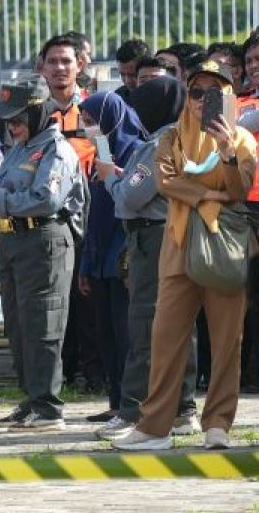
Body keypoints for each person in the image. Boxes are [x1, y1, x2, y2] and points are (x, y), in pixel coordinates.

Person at [114, 60, 259, 450]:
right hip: (178, 244)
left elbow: (240, 188)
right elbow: (165, 181)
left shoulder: (243, 140)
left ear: (227, 97)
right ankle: (155, 425)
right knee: (165, 337)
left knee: (227, 340)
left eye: (214, 93)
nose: (202, 101)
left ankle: (218, 425)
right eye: (196, 92)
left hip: (224, 245)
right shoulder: (172, 138)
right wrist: (209, 195)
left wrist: (227, 153)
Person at [0, 76, 84, 430]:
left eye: (18, 119)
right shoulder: (20, 148)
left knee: (43, 325)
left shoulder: (57, 150)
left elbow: (45, 199)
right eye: (8, 120)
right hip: (14, 242)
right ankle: (33, 397)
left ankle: (49, 406)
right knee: (19, 326)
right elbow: (4, 191)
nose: (12, 126)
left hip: (44, 240)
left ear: (38, 113)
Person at [97, 76, 201, 441]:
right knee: (179, 321)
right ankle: (183, 408)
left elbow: (129, 199)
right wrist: (127, 181)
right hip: (178, 232)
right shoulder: (187, 137)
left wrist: (110, 178)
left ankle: (133, 411)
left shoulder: (160, 142)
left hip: (153, 238)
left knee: (145, 322)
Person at [39, 34, 101, 396]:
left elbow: (107, 158)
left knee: (89, 296)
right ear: (41, 67)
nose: (60, 68)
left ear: (80, 65)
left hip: (89, 216)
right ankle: (59, 375)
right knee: (53, 299)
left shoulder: (94, 110)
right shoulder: (35, 113)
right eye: (52, 62)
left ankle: (94, 375)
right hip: (49, 220)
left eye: (66, 61)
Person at [76, 91, 143, 423]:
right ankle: (116, 402)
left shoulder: (134, 152)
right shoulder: (99, 156)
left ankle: (132, 404)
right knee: (107, 337)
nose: (88, 128)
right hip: (100, 259)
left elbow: (130, 204)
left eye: (92, 122)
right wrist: (86, 264)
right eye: (85, 122)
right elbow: (95, 214)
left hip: (124, 259)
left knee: (125, 335)